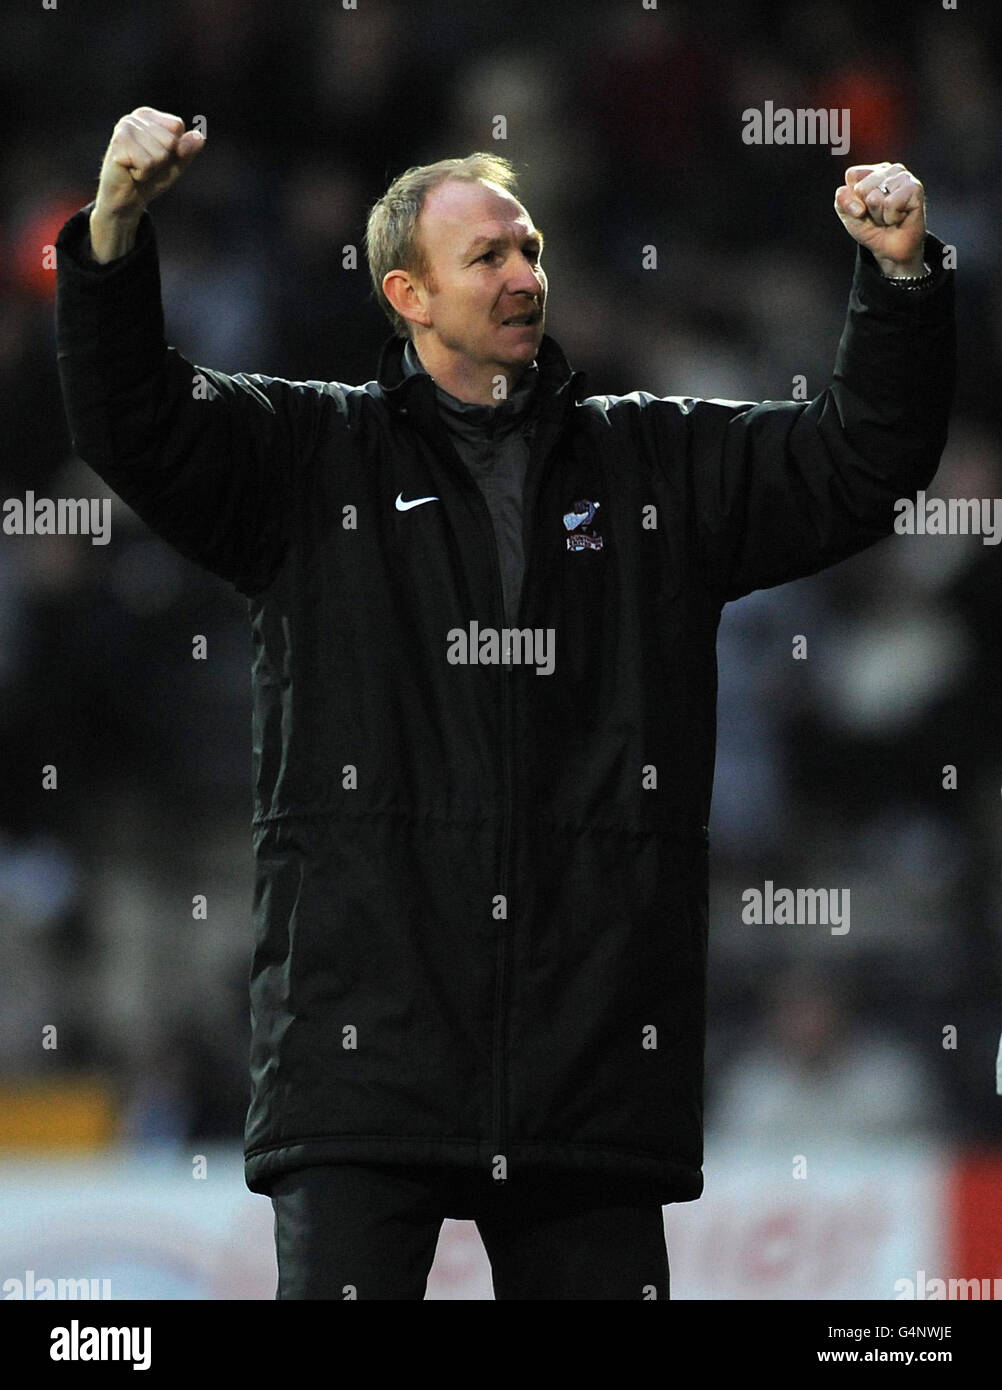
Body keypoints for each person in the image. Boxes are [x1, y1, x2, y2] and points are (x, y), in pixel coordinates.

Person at [55, 108, 955, 1300]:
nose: (527, 274)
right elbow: (137, 418)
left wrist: (897, 280)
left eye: (531, 249)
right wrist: (114, 224)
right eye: (488, 256)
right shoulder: (308, 458)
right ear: (407, 295)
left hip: (590, 1062)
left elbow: (860, 462)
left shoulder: (655, 468)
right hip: (364, 1061)